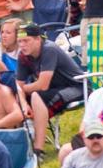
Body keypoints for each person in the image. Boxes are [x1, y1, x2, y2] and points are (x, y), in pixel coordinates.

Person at [13, 23, 84, 151]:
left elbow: (42, 85)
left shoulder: (49, 49)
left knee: (36, 95)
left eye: (26, 40)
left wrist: (23, 89)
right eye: (20, 41)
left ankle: (38, 149)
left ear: (38, 39)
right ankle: (21, 144)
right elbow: (18, 86)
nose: (22, 45)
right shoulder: (23, 56)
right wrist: (24, 105)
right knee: (14, 99)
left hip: (77, 86)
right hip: (53, 90)